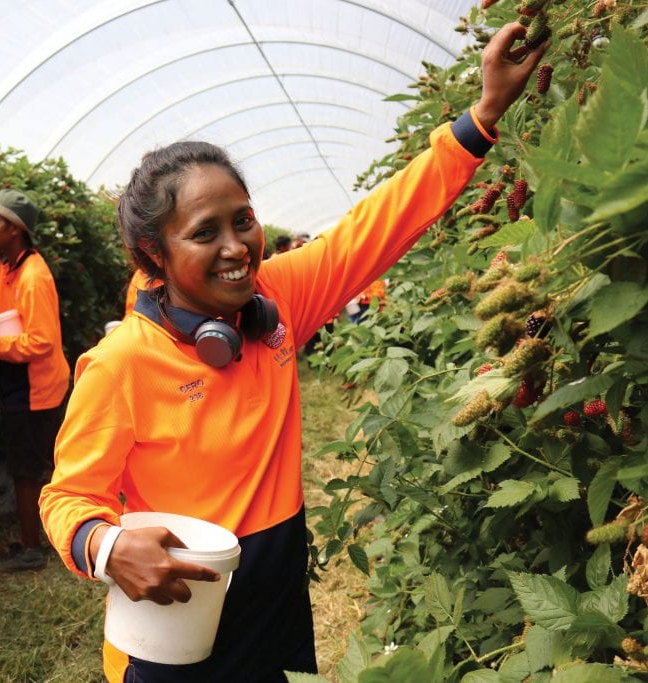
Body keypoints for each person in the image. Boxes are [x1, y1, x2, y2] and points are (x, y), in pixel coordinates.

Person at [39, 22, 546, 682]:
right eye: (205, 232)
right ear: (152, 256)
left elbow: (376, 226)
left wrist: (482, 117)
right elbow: (67, 498)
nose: (235, 245)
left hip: (277, 604)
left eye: (242, 219)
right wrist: (106, 546)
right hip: (173, 622)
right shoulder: (121, 364)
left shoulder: (277, 302)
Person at [0, 189, 70, 571]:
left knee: (26, 469)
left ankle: (33, 549)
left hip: (36, 386)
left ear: (16, 229)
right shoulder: (4, 267)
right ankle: (54, 532)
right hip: (22, 380)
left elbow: (40, 342)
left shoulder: (32, 277)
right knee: (37, 463)